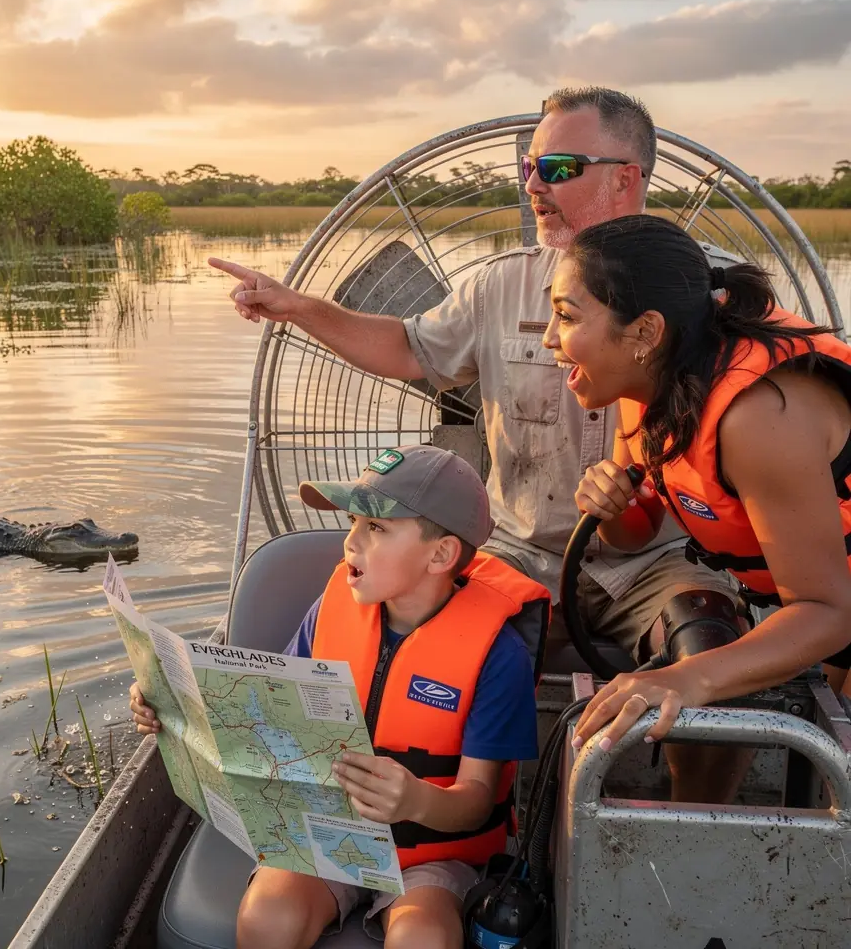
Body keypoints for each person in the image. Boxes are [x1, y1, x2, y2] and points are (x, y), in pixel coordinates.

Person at [208, 86, 746, 802]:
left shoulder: (707, 292)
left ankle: (688, 828)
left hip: (658, 560)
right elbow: (408, 348)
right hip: (518, 551)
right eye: (528, 168)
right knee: (396, 628)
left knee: (715, 656)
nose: (532, 186)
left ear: (626, 178)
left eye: (556, 168)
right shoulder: (500, 287)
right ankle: (443, 812)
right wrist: (297, 307)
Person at [131, 444, 546, 948]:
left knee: (422, 939)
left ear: (440, 555)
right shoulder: (329, 611)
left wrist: (417, 800)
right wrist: (171, 702)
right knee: (267, 919)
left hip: (434, 855)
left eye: (376, 527)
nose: (350, 541)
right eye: (353, 522)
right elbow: (267, 712)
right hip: (327, 829)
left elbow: (477, 801)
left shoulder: (498, 655)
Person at [540, 213, 851, 753]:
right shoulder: (651, 377)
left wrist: (685, 679)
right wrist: (611, 506)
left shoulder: (758, 417)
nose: (549, 338)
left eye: (565, 316)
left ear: (645, 331)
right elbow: (633, 534)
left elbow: (830, 612)